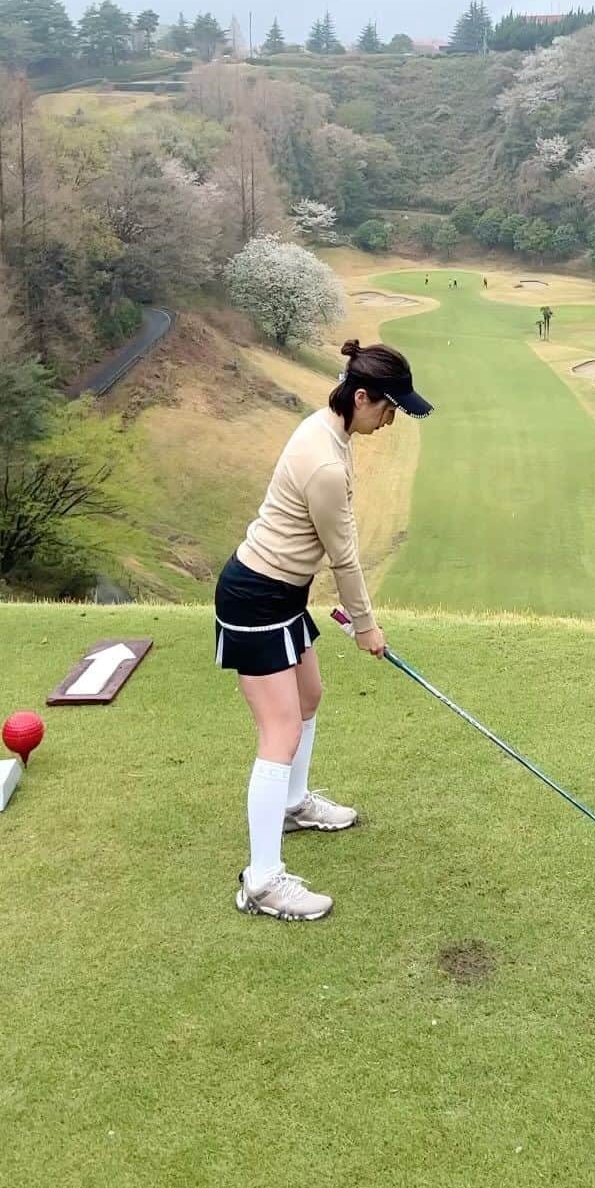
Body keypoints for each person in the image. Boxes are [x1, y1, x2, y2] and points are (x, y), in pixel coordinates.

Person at [214, 339, 434, 922]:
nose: (391, 420)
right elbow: (345, 560)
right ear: (360, 397)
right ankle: (261, 882)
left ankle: (292, 804)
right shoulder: (326, 463)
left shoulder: (330, 428)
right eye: (389, 408)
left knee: (310, 696)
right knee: (279, 732)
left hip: (282, 593)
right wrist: (367, 626)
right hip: (254, 596)